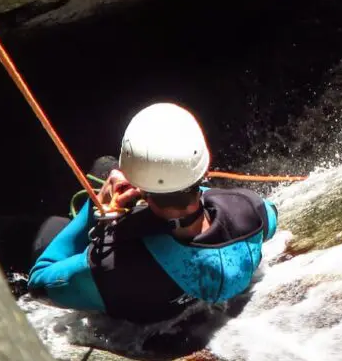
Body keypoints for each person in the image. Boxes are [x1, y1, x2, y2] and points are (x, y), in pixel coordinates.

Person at [28, 103, 278, 324]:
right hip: (172, 293)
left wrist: (94, 210)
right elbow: (270, 215)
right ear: (203, 167)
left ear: (141, 188)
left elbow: (39, 282)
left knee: (50, 227)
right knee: (107, 166)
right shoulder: (251, 209)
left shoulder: (113, 264)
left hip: (143, 292)